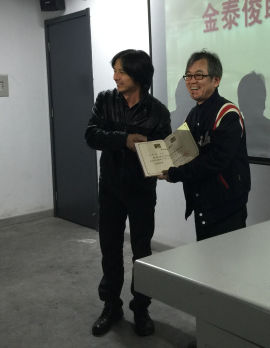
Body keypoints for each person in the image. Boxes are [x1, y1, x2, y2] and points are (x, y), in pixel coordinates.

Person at [85, 49, 171, 337]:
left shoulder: (157, 111)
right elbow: (91, 135)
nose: (115, 77)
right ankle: (111, 306)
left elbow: (164, 151)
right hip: (110, 188)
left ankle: (141, 308)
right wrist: (124, 140)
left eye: (121, 71)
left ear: (138, 74)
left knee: (142, 252)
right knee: (110, 249)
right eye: (115, 70)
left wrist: (165, 161)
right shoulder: (105, 101)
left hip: (142, 191)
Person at [159, 50, 250, 241]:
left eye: (199, 75)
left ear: (216, 80)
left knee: (230, 256)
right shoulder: (193, 115)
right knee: (205, 256)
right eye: (189, 76)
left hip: (226, 206)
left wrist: (176, 173)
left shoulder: (228, 113)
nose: (192, 81)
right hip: (202, 202)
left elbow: (216, 160)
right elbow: (182, 153)